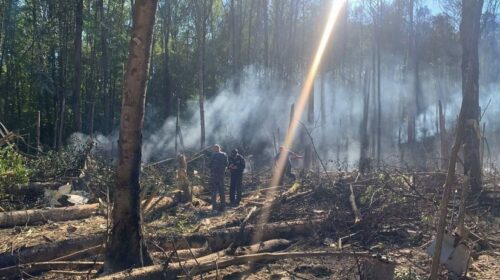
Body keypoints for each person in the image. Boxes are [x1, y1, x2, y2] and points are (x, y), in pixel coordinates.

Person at [208, 144, 228, 211]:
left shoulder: (213, 155)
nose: (213, 150)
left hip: (214, 176)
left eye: (214, 148)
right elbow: (226, 164)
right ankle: (223, 206)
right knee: (221, 191)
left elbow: (209, 165)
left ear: (215, 149)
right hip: (221, 175)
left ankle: (214, 208)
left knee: (214, 192)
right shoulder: (224, 154)